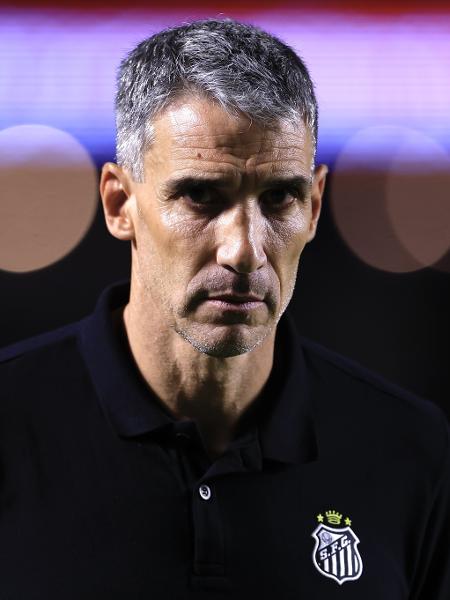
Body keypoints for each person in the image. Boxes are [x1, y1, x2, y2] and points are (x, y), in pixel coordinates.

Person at [0, 18, 448, 599]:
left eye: (279, 197)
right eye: (200, 195)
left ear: (314, 207)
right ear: (119, 204)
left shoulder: (410, 449)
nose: (243, 250)